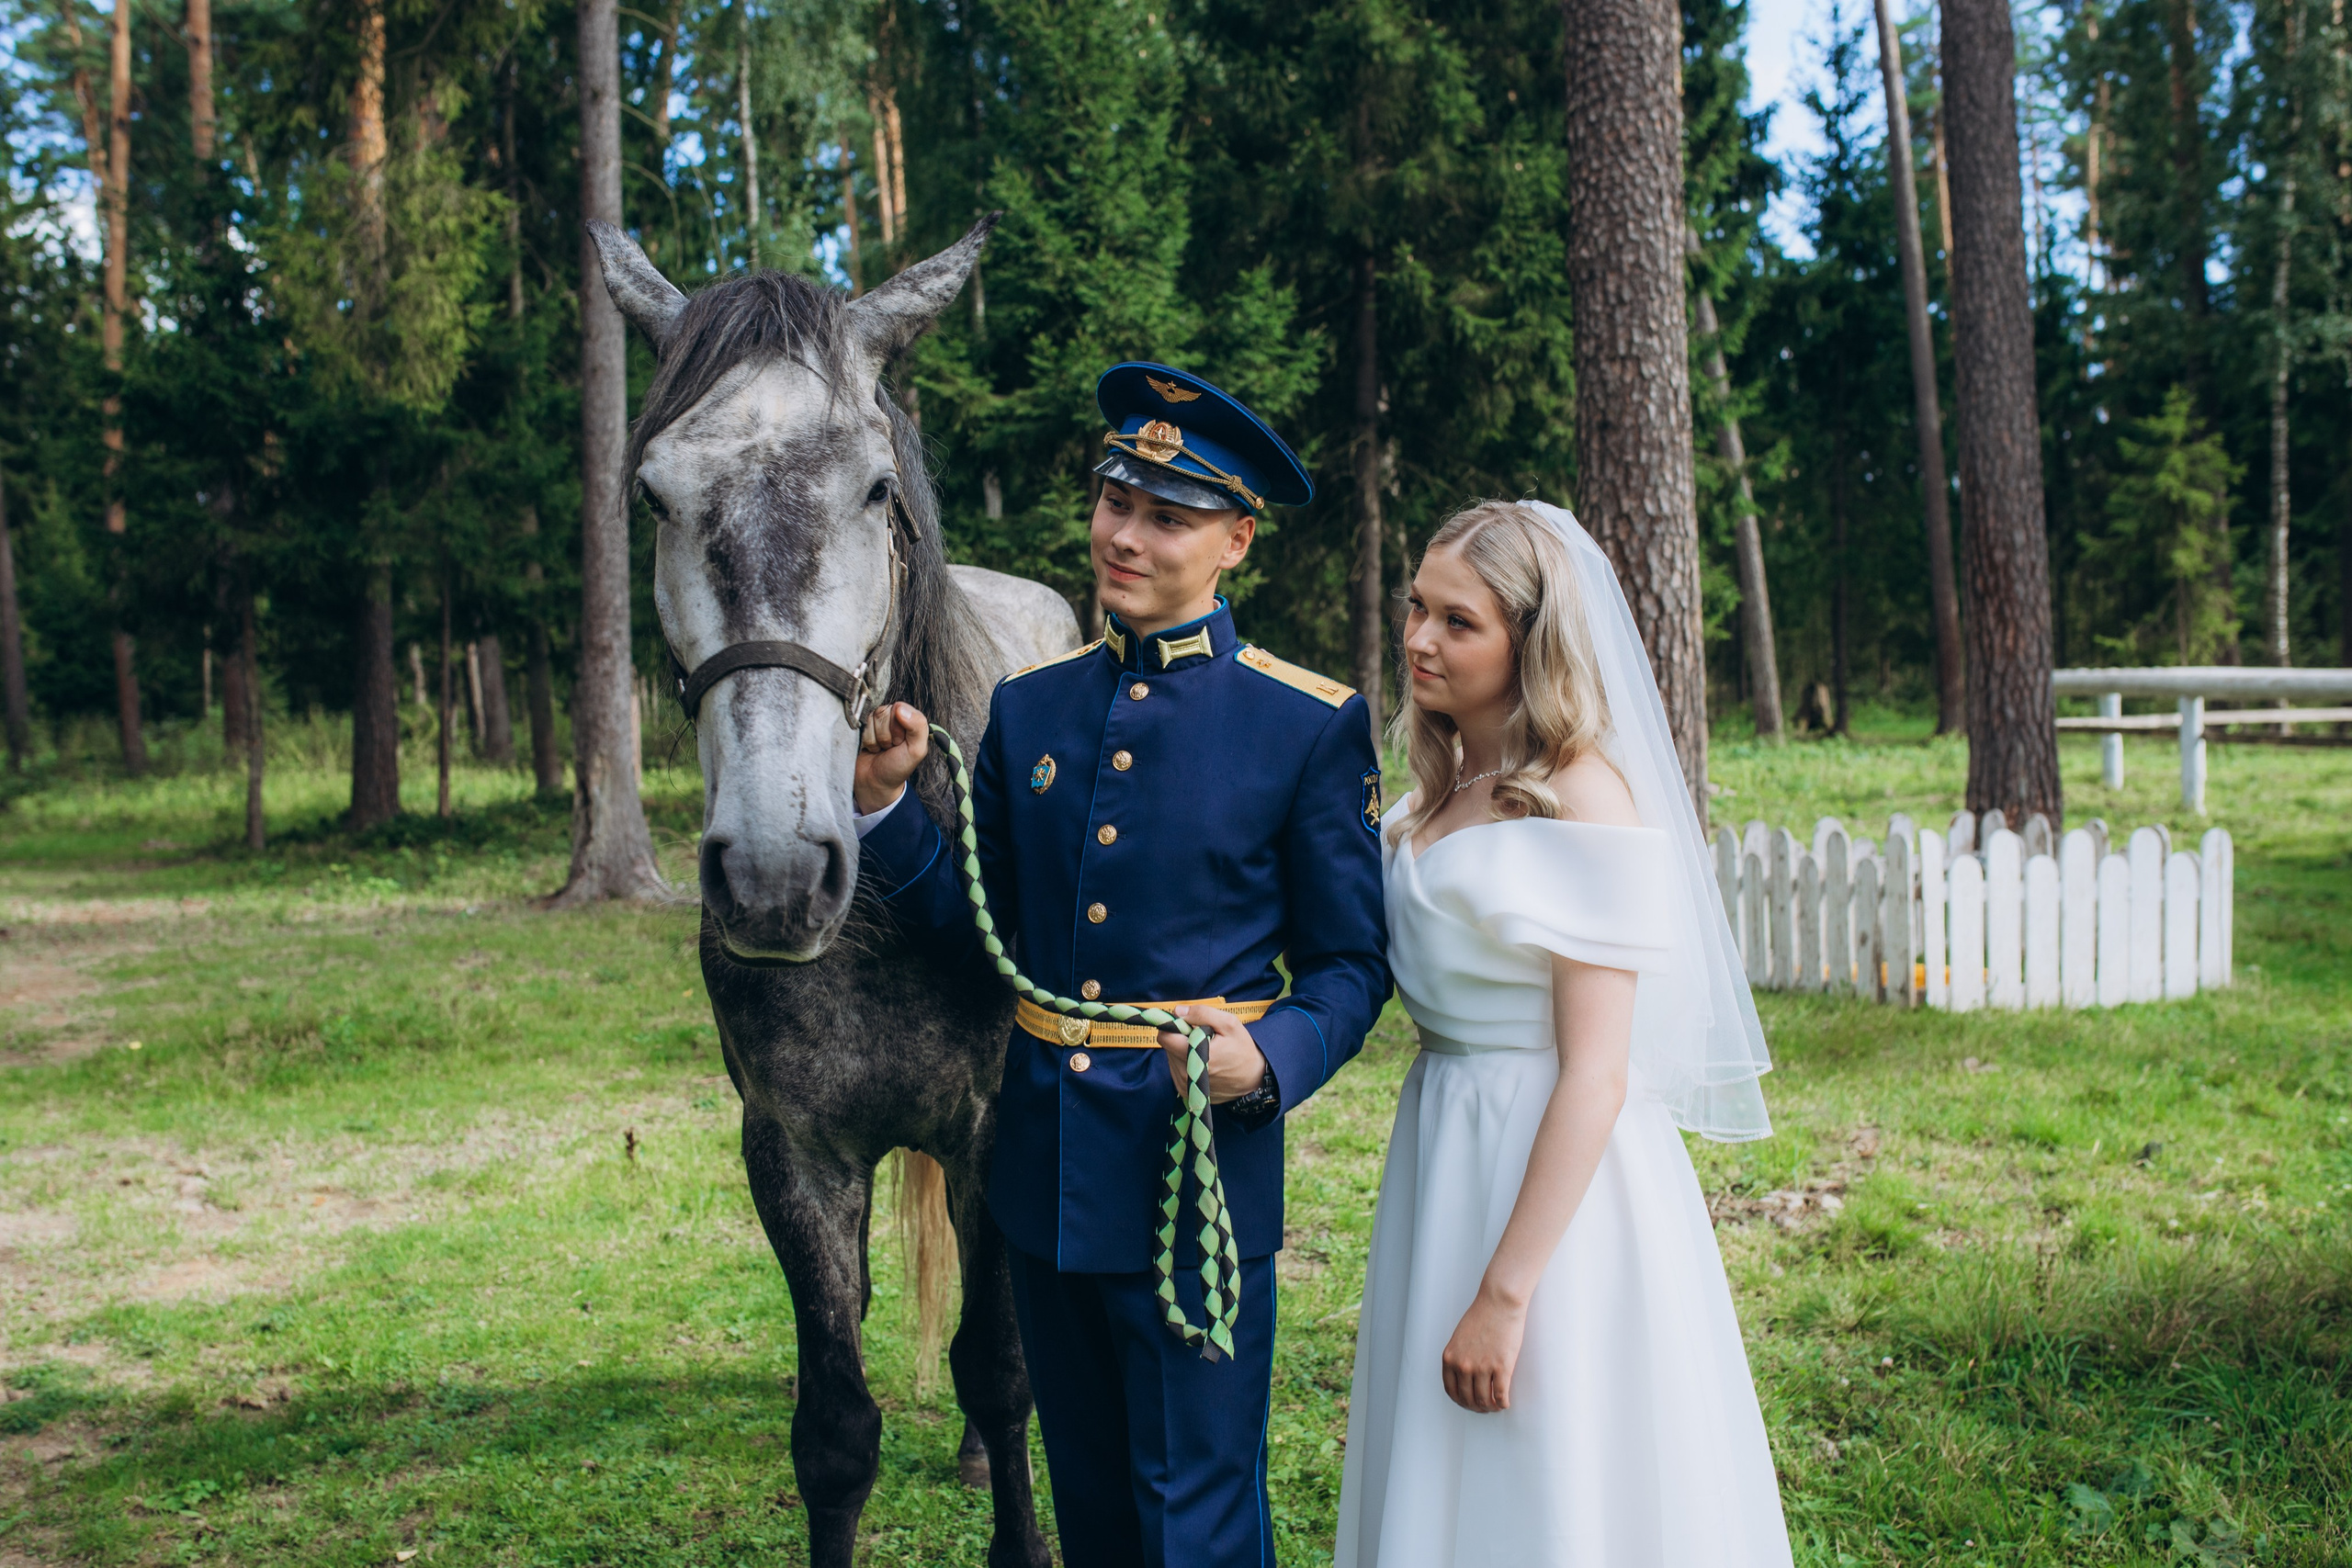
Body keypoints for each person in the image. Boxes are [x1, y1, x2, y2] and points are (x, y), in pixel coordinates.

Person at [850, 362, 1391, 1568]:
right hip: (1042, 1178)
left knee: (1193, 1517)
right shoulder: (1030, 714)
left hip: (1196, 1170)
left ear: (1236, 539)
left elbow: (1355, 963)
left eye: (1167, 514)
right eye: (1114, 499)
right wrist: (885, 808)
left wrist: (1275, 1054)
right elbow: (975, 932)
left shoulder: (1305, 724)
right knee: (1092, 1506)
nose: (1125, 533)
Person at [1334, 500, 1792, 1567]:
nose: (1418, 639)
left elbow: (1597, 1073)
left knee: (1556, 1463)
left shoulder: (1584, 797)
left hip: (1556, 1184)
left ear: (1528, 642)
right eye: (1415, 608)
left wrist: (1503, 1292)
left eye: (1459, 622)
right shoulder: (1431, 794)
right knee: (1442, 1460)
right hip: (1444, 1142)